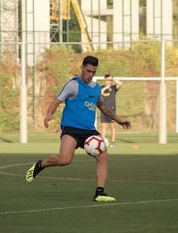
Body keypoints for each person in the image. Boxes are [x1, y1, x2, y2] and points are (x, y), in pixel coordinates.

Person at [25, 55, 131, 202]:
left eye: (93, 72)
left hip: (89, 130)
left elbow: (103, 106)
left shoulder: (95, 88)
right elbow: (56, 101)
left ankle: (99, 192)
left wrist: (119, 120)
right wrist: (49, 114)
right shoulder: (73, 85)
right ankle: (40, 164)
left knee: (103, 156)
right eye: (88, 71)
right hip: (71, 128)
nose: (90, 75)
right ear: (82, 68)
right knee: (64, 160)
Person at [100, 74, 123, 147]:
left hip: (111, 109)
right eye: (108, 80)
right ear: (105, 80)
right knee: (103, 126)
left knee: (112, 126)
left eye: (110, 80)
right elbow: (99, 94)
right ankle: (103, 141)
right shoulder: (101, 87)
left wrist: (113, 79)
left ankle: (113, 142)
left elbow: (120, 84)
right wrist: (106, 87)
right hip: (103, 109)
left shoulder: (113, 88)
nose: (109, 81)